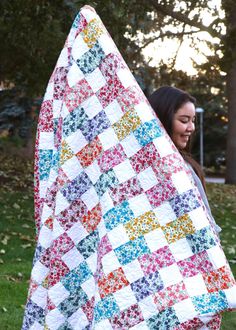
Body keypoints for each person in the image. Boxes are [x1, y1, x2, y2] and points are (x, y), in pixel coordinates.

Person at [148, 86, 221, 235]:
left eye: (193, 120)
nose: (191, 127)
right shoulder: (167, 167)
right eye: (184, 120)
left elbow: (203, 217)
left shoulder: (184, 165)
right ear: (162, 119)